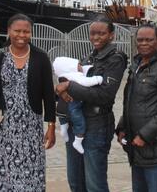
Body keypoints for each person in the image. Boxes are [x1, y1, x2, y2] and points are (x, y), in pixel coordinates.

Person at [0, 13, 56, 191]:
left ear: (31, 33)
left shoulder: (41, 58)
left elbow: (48, 95)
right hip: (3, 130)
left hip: (31, 130)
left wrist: (51, 126)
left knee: (33, 177)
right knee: (3, 177)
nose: (22, 35)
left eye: (26, 31)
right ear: (8, 31)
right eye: (17, 31)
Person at [55, 17, 127, 192]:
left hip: (97, 124)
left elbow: (104, 94)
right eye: (93, 33)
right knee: (75, 181)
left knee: (94, 183)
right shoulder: (89, 57)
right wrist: (62, 89)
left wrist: (70, 87)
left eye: (101, 33)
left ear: (111, 35)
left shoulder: (116, 59)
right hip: (76, 123)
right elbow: (71, 81)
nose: (96, 37)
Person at [116, 24, 157, 192]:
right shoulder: (137, 66)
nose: (144, 43)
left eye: (149, 39)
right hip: (137, 149)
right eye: (140, 40)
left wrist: (145, 135)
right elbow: (132, 102)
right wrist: (122, 127)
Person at [53, 56, 103, 154]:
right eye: (78, 64)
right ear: (70, 67)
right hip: (73, 105)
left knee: (63, 119)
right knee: (80, 122)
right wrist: (98, 79)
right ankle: (78, 140)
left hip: (62, 107)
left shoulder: (62, 76)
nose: (81, 66)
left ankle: (63, 130)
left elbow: (86, 68)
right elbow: (86, 82)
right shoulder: (74, 76)